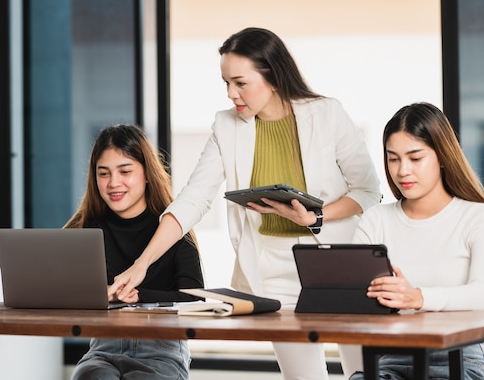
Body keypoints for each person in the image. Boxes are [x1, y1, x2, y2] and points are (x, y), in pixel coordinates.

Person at [110, 27, 382, 380]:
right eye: (226, 83)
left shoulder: (327, 114)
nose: (231, 94)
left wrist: (315, 216)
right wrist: (142, 263)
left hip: (335, 264)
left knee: (363, 372)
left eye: (240, 83)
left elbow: (367, 191)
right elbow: (194, 198)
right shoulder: (226, 126)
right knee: (303, 377)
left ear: (272, 75)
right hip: (272, 271)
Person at [350, 102, 484, 380]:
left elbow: (483, 297)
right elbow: (354, 294)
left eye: (415, 158)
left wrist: (417, 297)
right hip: (392, 354)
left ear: (443, 157)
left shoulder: (479, 217)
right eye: (393, 158)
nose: (402, 171)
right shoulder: (375, 219)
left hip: (458, 356)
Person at [64, 124, 204, 380]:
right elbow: (64, 290)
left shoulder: (172, 229)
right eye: (103, 173)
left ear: (147, 174)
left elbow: (195, 300)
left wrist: (138, 295)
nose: (113, 183)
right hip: (103, 349)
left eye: (125, 171)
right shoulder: (84, 229)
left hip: (163, 351)